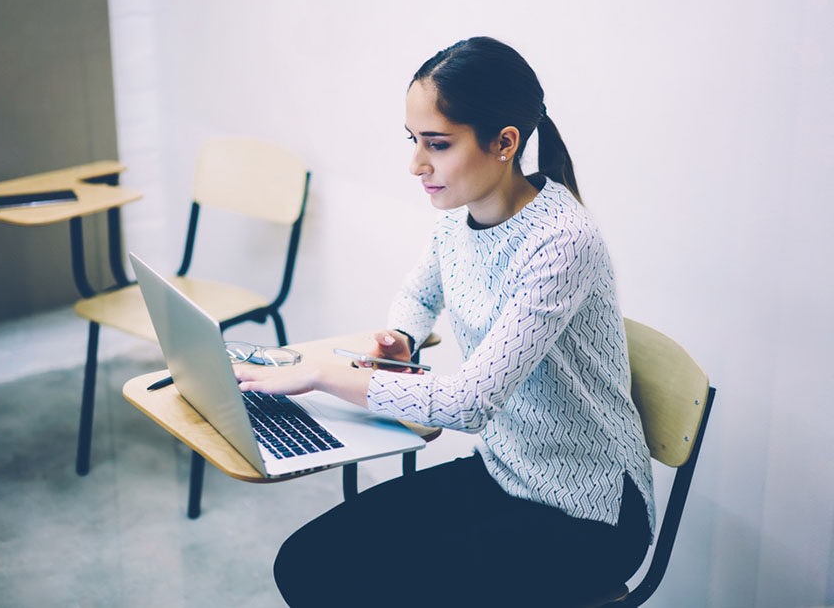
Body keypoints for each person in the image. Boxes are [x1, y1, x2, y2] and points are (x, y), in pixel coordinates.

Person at [233, 36, 655, 607]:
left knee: (360, 588)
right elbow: (418, 291)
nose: (416, 164)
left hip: (590, 514)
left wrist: (320, 374)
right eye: (414, 141)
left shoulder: (562, 241)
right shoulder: (459, 223)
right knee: (306, 564)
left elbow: (467, 404)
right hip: (506, 472)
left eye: (437, 144)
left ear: (505, 142)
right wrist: (402, 336)